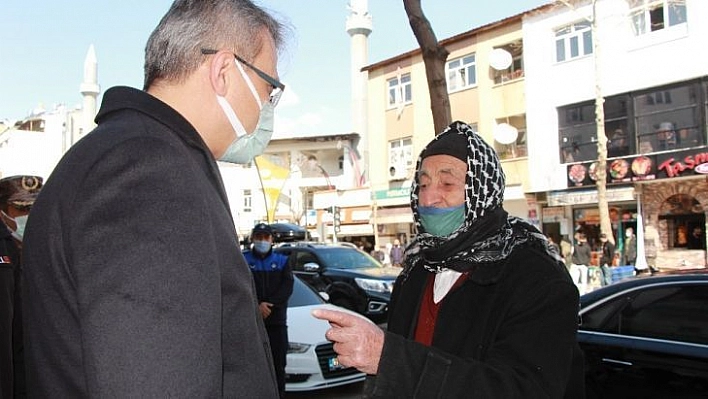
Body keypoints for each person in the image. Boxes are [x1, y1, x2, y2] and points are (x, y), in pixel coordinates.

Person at [21, 1, 286, 396]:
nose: (266, 107)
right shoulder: (149, 171)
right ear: (224, 72)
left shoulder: (128, 151)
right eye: (270, 88)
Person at [313, 121, 584, 398]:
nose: (429, 198)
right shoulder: (417, 269)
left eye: (447, 183)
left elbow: (523, 388)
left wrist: (389, 358)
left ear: (482, 191)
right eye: (423, 184)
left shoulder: (536, 279)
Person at [0, 175, 42, 398]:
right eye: (21, 209)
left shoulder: (43, 251)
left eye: (33, 209)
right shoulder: (5, 249)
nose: (28, 216)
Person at [243, 223, 293, 399]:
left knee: (278, 365)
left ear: (272, 240)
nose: (262, 241)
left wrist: (268, 304)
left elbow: (286, 287)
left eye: (266, 237)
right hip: (252, 323)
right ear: (253, 239)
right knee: (252, 365)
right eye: (258, 237)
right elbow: (240, 287)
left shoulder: (282, 261)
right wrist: (256, 305)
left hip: (276, 322)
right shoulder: (243, 260)